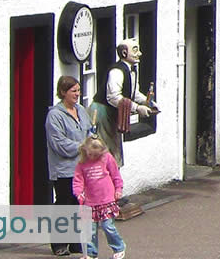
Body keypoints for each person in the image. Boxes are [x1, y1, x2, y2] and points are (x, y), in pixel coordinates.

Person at [45, 77, 90, 256]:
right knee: (64, 205)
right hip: (64, 170)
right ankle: (59, 244)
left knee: (79, 205)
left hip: (82, 168)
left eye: (78, 90)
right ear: (63, 92)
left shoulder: (81, 110)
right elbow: (59, 144)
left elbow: (88, 131)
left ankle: (76, 242)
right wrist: (83, 146)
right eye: (73, 91)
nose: (77, 94)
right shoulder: (54, 115)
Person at [101, 40, 156, 171]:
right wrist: (137, 108)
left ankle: (114, 188)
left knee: (115, 157)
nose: (140, 53)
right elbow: (113, 97)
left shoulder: (131, 70)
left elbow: (133, 93)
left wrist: (148, 103)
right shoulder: (116, 71)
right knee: (106, 156)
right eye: (135, 50)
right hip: (104, 116)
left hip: (114, 117)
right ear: (124, 53)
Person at [73, 135, 126, 259]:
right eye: (91, 154)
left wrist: (118, 189)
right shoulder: (82, 163)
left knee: (108, 226)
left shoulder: (107, 158)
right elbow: (78, 181)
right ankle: (91, 253)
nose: (93, 157)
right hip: (89, 202)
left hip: (106, 199)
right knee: (90, 230)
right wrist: (78, 193)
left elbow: (115, 175)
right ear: (86, 151)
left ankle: (119, 247)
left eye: (96, 155)